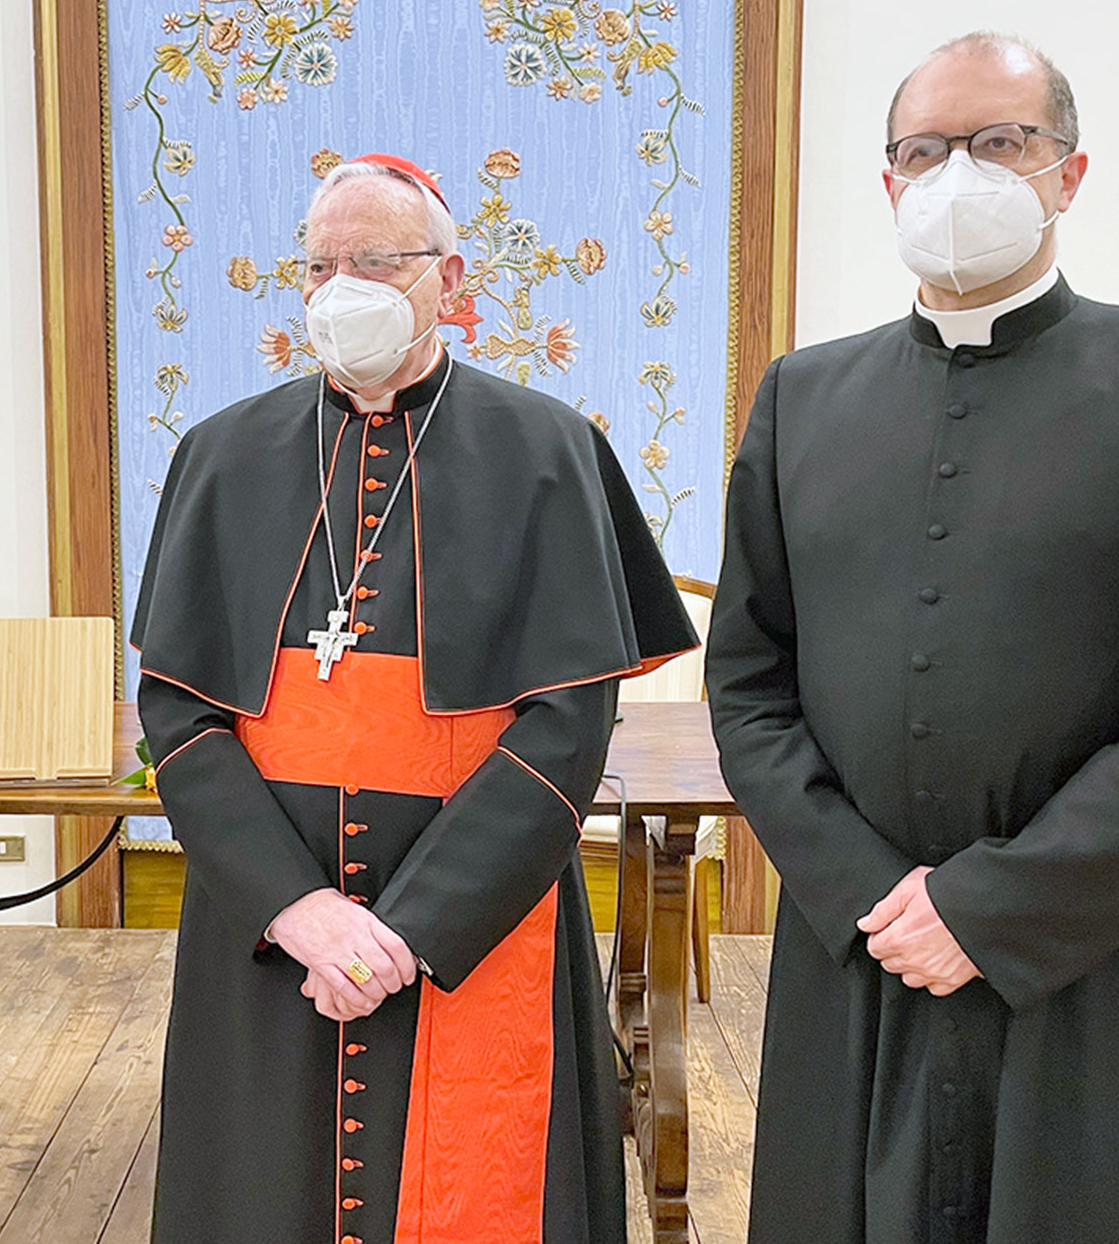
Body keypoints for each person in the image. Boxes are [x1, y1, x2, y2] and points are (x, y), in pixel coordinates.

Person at [706, 33, 1119, 1244]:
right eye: (925, 149)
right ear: (889, 184)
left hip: (1093, 945)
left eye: (999, 142)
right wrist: (874, 895)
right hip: (859, 948)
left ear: (1067, 174)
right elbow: (750, 682)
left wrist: (1000, 905)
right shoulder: (802, 395)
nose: (957, 173)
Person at [130, 154, 698, 1244]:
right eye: (322, 264)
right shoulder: (220, 454)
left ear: (453, 278)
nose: (345, 286)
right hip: (272, 928)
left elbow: (568, 722)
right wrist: (296, 906)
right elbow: (180, 712)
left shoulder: (549, 450)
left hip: (476, 925)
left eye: (379, 259)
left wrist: (414, 927)